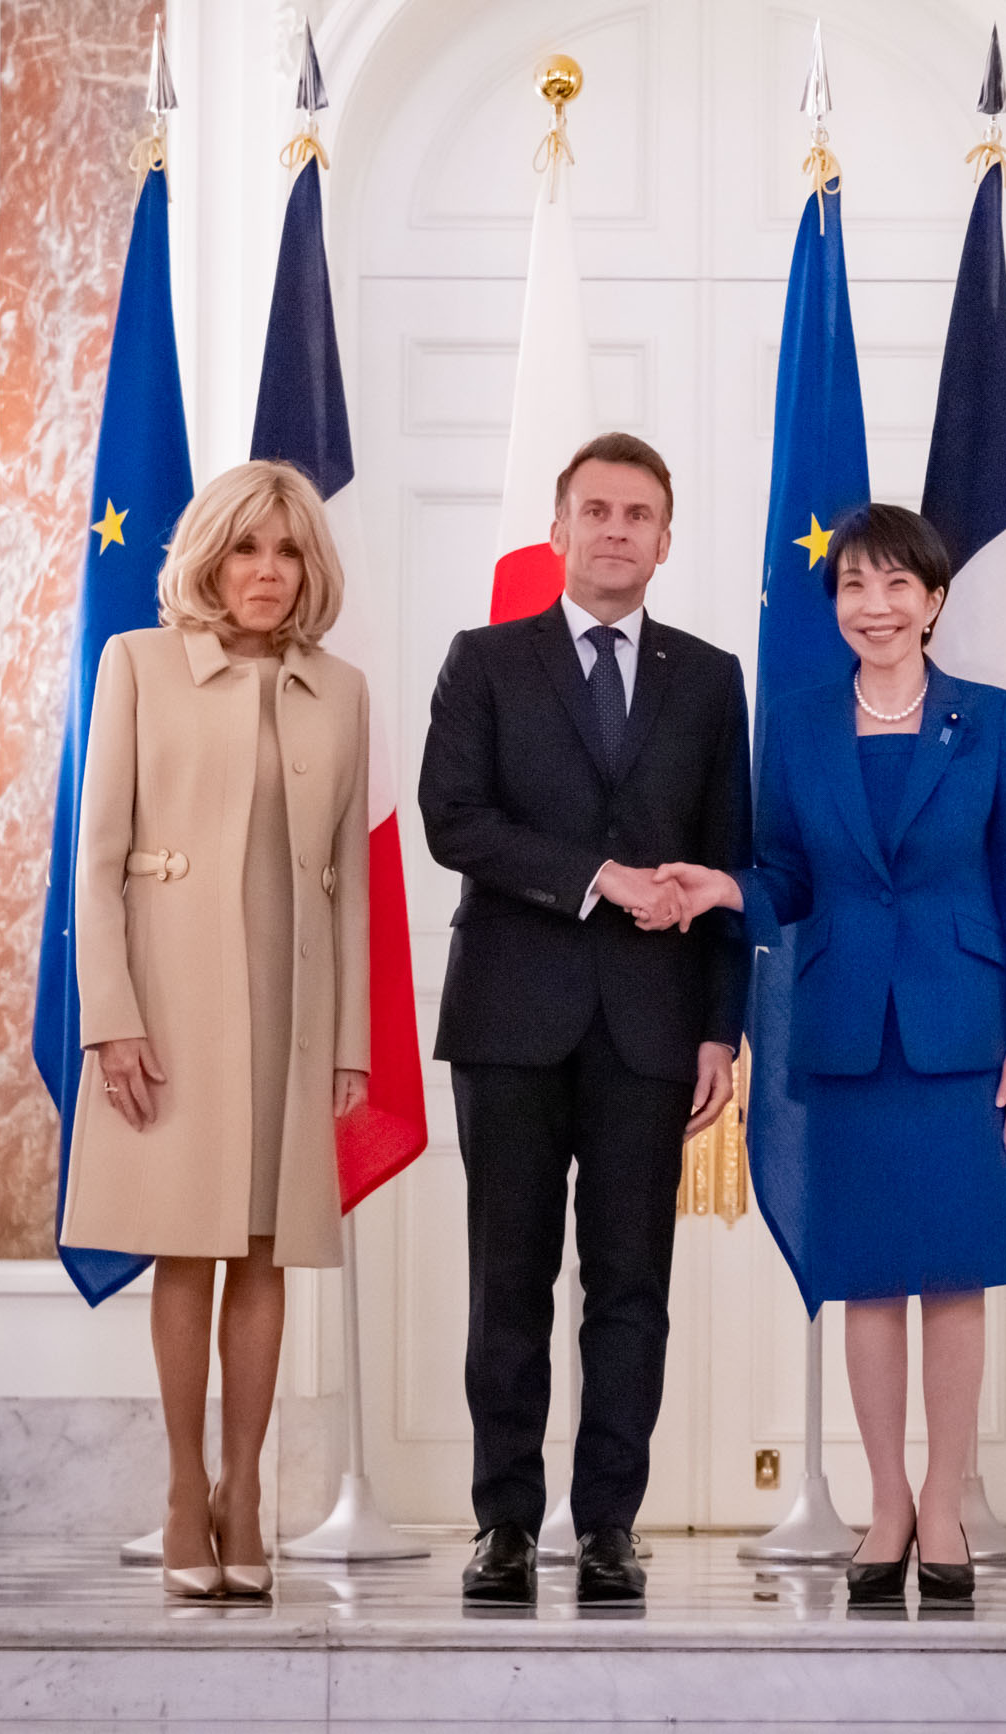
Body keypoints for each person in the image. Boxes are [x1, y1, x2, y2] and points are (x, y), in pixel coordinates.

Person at [657, 502, 1006, 1608]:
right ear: (831, 604)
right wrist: (727, 888)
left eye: (895, 588)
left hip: (960, 1026)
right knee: (869, 1281)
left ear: (931, 602)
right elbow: (785, 871)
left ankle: (943, 1503)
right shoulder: (793, 722)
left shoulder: (990, 719)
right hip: (841, 1029)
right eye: (851, 588)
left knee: (955, 1274)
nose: (871, 608)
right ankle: (883, 1505)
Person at [418, 432, 752, 1605]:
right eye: (595, 511)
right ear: (556, 528)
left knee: (630, 1289)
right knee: (505, 1281)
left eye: (638, 514)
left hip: (653, 1032)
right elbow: (451, 821)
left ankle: (608, 1523)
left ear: (666, 540)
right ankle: (503, 1523)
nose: (615, 530)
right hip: (510, 1019)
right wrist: (598, 877)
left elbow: (728, 859)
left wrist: (722, 1027)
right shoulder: (485, 659)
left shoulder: (708, 680)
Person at [63, 459, 373, 1600]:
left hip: (288, 1009)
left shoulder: (339, 689)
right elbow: (95, 864)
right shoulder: (136, 664)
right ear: (209, 557)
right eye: (248, 549)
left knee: (261, 1249)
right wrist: (111, 1017)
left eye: (288, 553)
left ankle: (249, 1492)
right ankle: (182, 1489)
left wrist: (349, 1040)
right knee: (183, 1244)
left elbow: (345, 885)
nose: (268, 573)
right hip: (171, 1004)